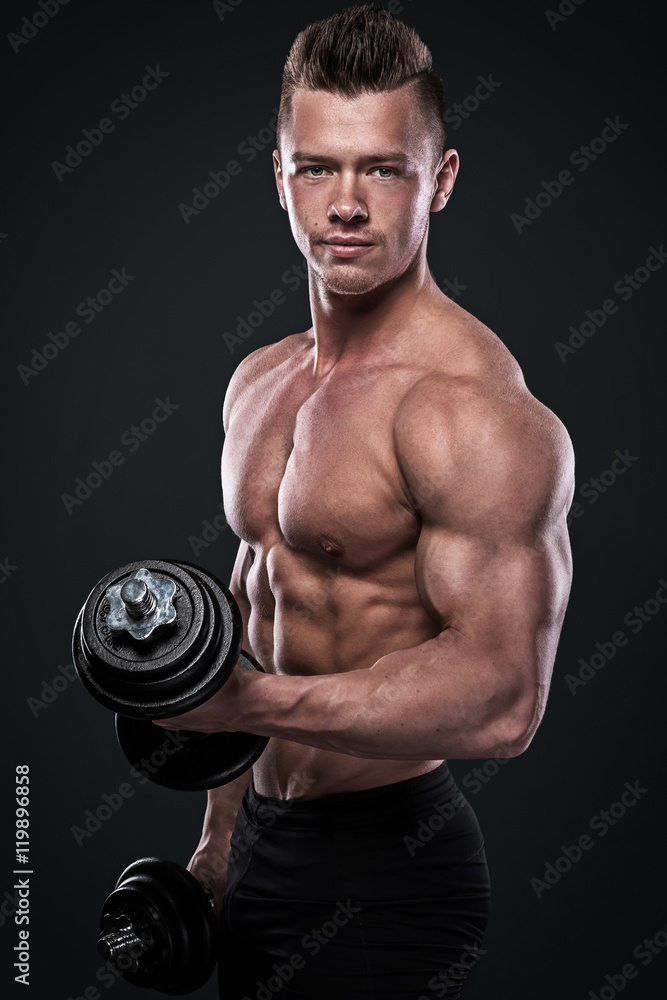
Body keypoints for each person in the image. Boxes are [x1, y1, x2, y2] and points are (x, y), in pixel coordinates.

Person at [155, 5, 574, 997]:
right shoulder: (260, 380)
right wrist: (217, 835)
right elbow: (255, 609)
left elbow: (503, 696)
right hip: (259, 840)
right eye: (318, 167)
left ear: (441, 179)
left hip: (384, 866)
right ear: (279, 178)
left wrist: (252, 704)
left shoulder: (467, 410)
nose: (346, 203)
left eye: (383, 169)